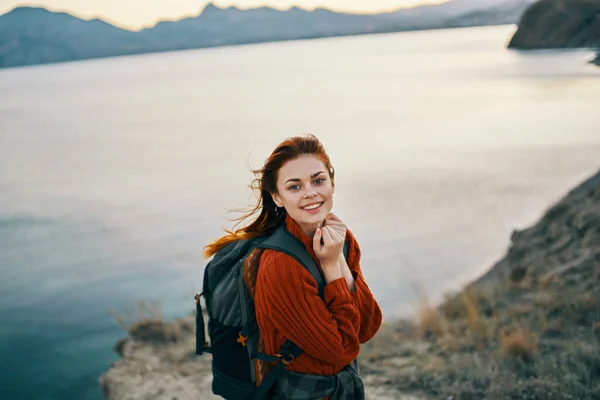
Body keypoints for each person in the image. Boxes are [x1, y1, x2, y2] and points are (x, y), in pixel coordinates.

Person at [204, 134, 382, 399]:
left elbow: (367, 327)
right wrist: (332, 267)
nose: (311, 192)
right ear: (277, 197)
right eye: (294, 187)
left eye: (318, 180)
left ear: (332, 183)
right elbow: (342, 350)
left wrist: (339, 258)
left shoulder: (338, 238)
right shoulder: (280, 266)